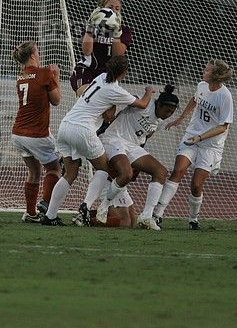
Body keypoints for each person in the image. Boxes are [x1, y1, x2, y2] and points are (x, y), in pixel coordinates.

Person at [42, 55, 154, 225]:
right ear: (124, 72)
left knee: (69, 173)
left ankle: (50, 216)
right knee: (103, 168)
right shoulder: (116, 91)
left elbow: (106, 111)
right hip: (82, 130)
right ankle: (86, 206)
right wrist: (149, 91)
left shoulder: (100, 78)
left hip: (65, 126)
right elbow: (143, 104)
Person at [75, 85, 180, 228]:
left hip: (130, 147)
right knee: (126, 179)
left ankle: (147, 216)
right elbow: (118, 100)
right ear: (159, 104)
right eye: (167, 110)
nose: (169, 115)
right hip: (113, 139)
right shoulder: (142, 102)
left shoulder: (159, 121)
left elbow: (145, 134)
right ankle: (100, 208)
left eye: (172, 113)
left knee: (160, 172)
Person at [148, 60, 234, 230]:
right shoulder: (202, 85)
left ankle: (193, 219)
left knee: (196, 185)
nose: (204, 71)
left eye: (207, 70)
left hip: (211, 145)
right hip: (191, 137)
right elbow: (194, 100)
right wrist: (180, 119)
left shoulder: (225, 96)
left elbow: (224, 126)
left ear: (215, 75)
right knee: (178, 171)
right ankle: (157, 214)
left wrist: (201, 138)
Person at [9, 41, 62, 223]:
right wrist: (57, 77)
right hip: (36, 134)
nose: (39, 54)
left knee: (34, 172)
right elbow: (56, 101)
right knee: (55, 168)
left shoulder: (21, 76)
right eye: (37, 52)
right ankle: (45, 203)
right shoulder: (45, 73)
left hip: (18, 134)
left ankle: (30, 213)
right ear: (32, 55)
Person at [70, 0, 133, 95]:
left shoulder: (125, 31)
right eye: (110, 7)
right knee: (87, 95)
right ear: (102, 9)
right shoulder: (93, 26)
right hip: (87, 70)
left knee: (109, 108)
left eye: (117, 9)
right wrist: (90, 26)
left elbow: (117, 55)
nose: (113, 10)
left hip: (107, 74)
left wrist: (115, 32)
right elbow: (86, 52)